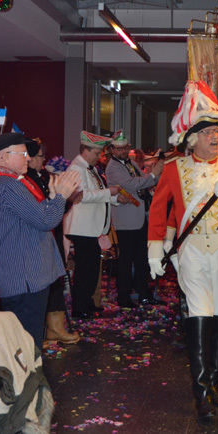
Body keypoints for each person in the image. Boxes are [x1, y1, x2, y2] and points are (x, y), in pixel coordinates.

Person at [148, 81, 218, 419]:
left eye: (217, 131)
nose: (215, 136)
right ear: (192, 138)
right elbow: (158, 210)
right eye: (208, 131)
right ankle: (201, 392)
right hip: (192, 252)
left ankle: (214, 381)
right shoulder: (173, 169)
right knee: (198, 316)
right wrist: (155, 250)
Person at [0, 133, 80, 347]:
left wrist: (53, 198)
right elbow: (46, 220)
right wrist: (61, 196)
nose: (28, 158)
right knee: (27, 345)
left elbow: (35, 216)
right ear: (5, 157)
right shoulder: (8, 185)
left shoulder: (4, 182)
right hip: (23, 278)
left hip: (20, 276)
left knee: (22, 343)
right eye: (23, 153)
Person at [63, 131, 129, 319]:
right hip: (82, 228)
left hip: (90, 228)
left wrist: (115, 199)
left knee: (91, 269)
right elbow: (83, 196)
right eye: (96, 152)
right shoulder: (77, 168)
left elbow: (97, 193)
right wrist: (110, 192)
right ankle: (79, 307)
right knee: (85, 270)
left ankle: (87, 303)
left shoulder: (89, 168)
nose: (98, 156)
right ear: (85, 151)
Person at [25, 139, 79, 345]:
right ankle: (40, 332)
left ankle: (56, 328)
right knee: (43, 283)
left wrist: (64, 197)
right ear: (30, 159)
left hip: (52, 233)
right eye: (40, 156)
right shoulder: (26, 181)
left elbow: (57, 208)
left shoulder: (44, 176)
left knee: (56, 278)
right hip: (39, 237)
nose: (43, 160)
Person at [105, 131, 163, 308]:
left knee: (141, 259)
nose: (123, 151)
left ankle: (143, 293)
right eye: (119, 149)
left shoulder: (131, 163)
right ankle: (123, 296)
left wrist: (155, 176)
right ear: (112, 150)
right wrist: (153, 175)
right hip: (126, 220)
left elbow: (143, 182)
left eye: (125, 148)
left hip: (139, 217)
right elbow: (133, 184)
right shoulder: (113, 167)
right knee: (126, 260)